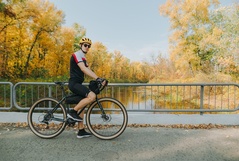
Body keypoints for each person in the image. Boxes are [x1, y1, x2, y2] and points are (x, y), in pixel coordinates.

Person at [68, 37, 106, 138]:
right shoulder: (77, 54)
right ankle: (72, 112)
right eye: (85, 45)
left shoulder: (84, 58)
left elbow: (89, 70)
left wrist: (99, 79)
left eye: (89, 46)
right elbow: (83, 69)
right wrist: (98, 78)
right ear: (81, 45)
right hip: (74, 83)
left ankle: (81, 131)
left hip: (78, 83)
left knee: (82, 106)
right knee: (92, 96)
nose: (87, 47)